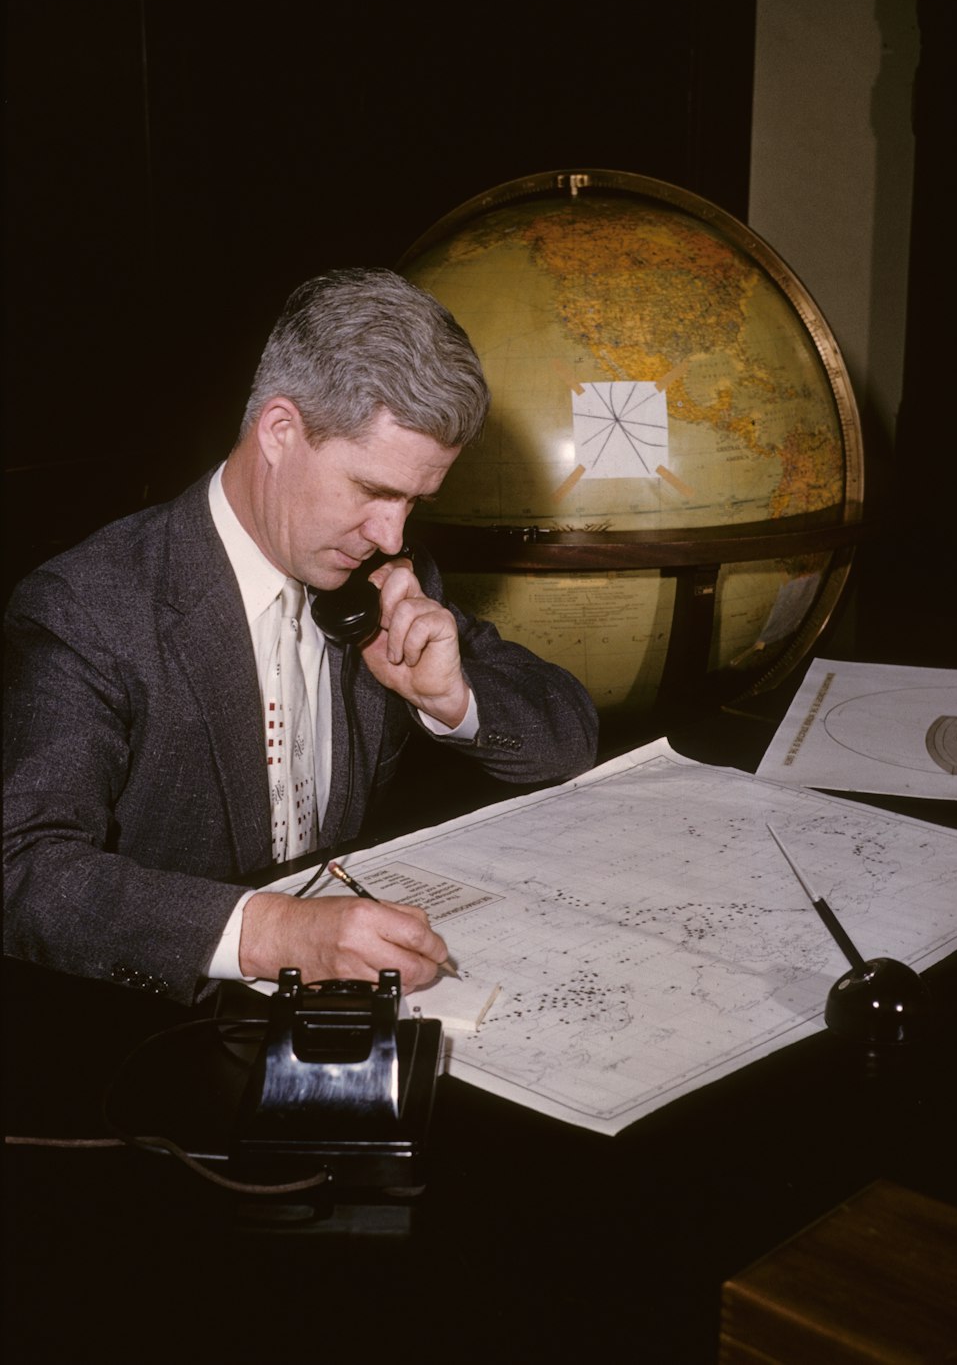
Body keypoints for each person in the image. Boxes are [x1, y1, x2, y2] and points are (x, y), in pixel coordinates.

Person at [3, 268, 598, 1006]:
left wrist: (456, 699)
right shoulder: (87, 610)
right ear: (280, 432)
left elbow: (570, 736)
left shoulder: (386, 572)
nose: (392, 533)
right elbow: (24, 871)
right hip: (146, 1034)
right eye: (375, 490)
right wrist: (282, 934)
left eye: (415, 500)